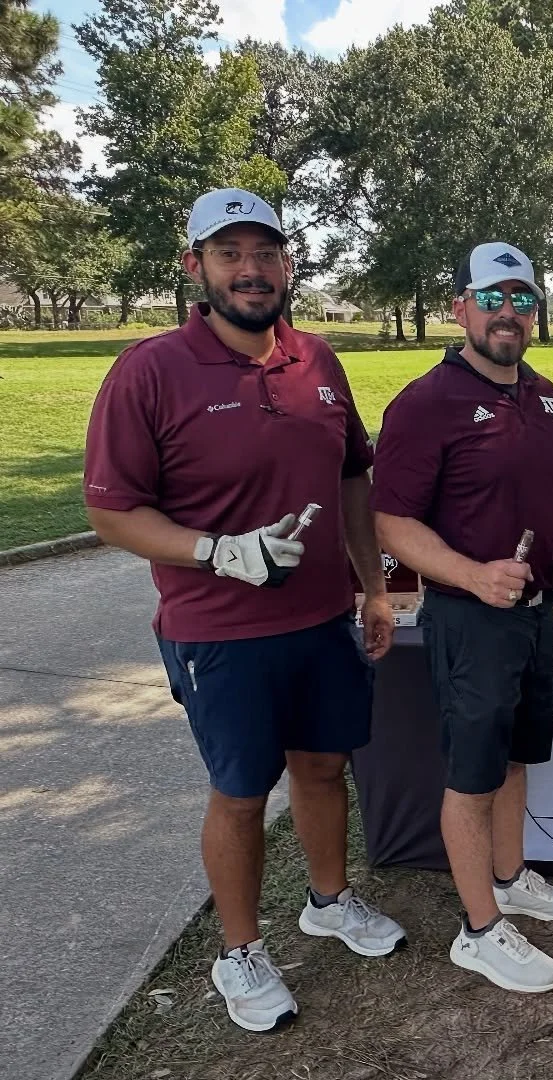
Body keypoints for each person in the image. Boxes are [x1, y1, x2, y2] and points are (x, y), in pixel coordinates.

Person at [83, 188, 406, 1034]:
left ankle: (328, 901)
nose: (251, 270)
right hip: (219, 631)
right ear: (195, 266)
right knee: (240, 791)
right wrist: (217, 550)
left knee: (324, 768)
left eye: (266, 253)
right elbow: (112, 513)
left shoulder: (318, 360)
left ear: (288, 265)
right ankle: (239, 952)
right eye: (230, 253)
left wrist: (372, 587)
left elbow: (353, 478)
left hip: (322, 619)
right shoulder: (150, 370)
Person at [370, 242, 553, 993]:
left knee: (512, 758)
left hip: (534, 615)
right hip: (470, 617)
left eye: (523, 299)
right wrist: (474, 575)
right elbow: (390, 521)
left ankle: (509, 880)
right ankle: (478, 931)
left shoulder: (544, 393)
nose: (509, 313)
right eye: (493, 298)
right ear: (461, 309)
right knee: (472, 776)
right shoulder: (426, 402)